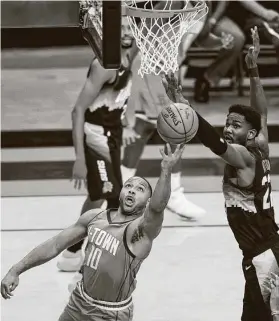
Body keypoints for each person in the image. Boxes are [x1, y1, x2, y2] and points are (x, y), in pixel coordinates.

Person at [162, 27, 279, 321]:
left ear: (247, 134)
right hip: (266, 250)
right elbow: (261, 114)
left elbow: (214, 143)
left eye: (235, 125)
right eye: (228, 123)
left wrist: (183, 104)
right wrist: (252, 70)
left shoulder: (243, 157)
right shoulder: (260, 143)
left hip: (264, 257)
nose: (228, 128)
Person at [1, 143, 185, 321]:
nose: (132, 191)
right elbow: (56, 244)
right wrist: (16, 269)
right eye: (128, 186)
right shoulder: (94, 217)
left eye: (140, 189)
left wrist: (166, 170)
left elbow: (157, 208)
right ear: (120, 191)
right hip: (78, 302)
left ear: (147, 201)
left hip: (112, 313)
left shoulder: (140, 232)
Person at [56, 11, 137, 273]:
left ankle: (71, 253)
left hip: (112, 135)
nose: (126, 31)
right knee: (113, 197)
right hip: (95, 135)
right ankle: (96, 260)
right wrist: (79, 158)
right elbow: (77, 111)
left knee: (96, 197)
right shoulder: (103, 65)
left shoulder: (130, 52)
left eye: (129, 27)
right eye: (121, 26)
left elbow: (148, 19)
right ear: (110, 30)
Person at [121, 53, 206, 220]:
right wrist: (126, 123)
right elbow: (130, 90)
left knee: (176, 143)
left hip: (162, 105)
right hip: (141, 108)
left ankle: (173, 196)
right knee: (133, 148)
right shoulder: (140, 58)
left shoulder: (173, 48)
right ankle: (121, 197)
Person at [193, 0, 245, 103]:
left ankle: (208, 79)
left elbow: (223, 2)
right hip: (189, 16)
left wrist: (212, 20)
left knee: (237, 39)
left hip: (215, 18)